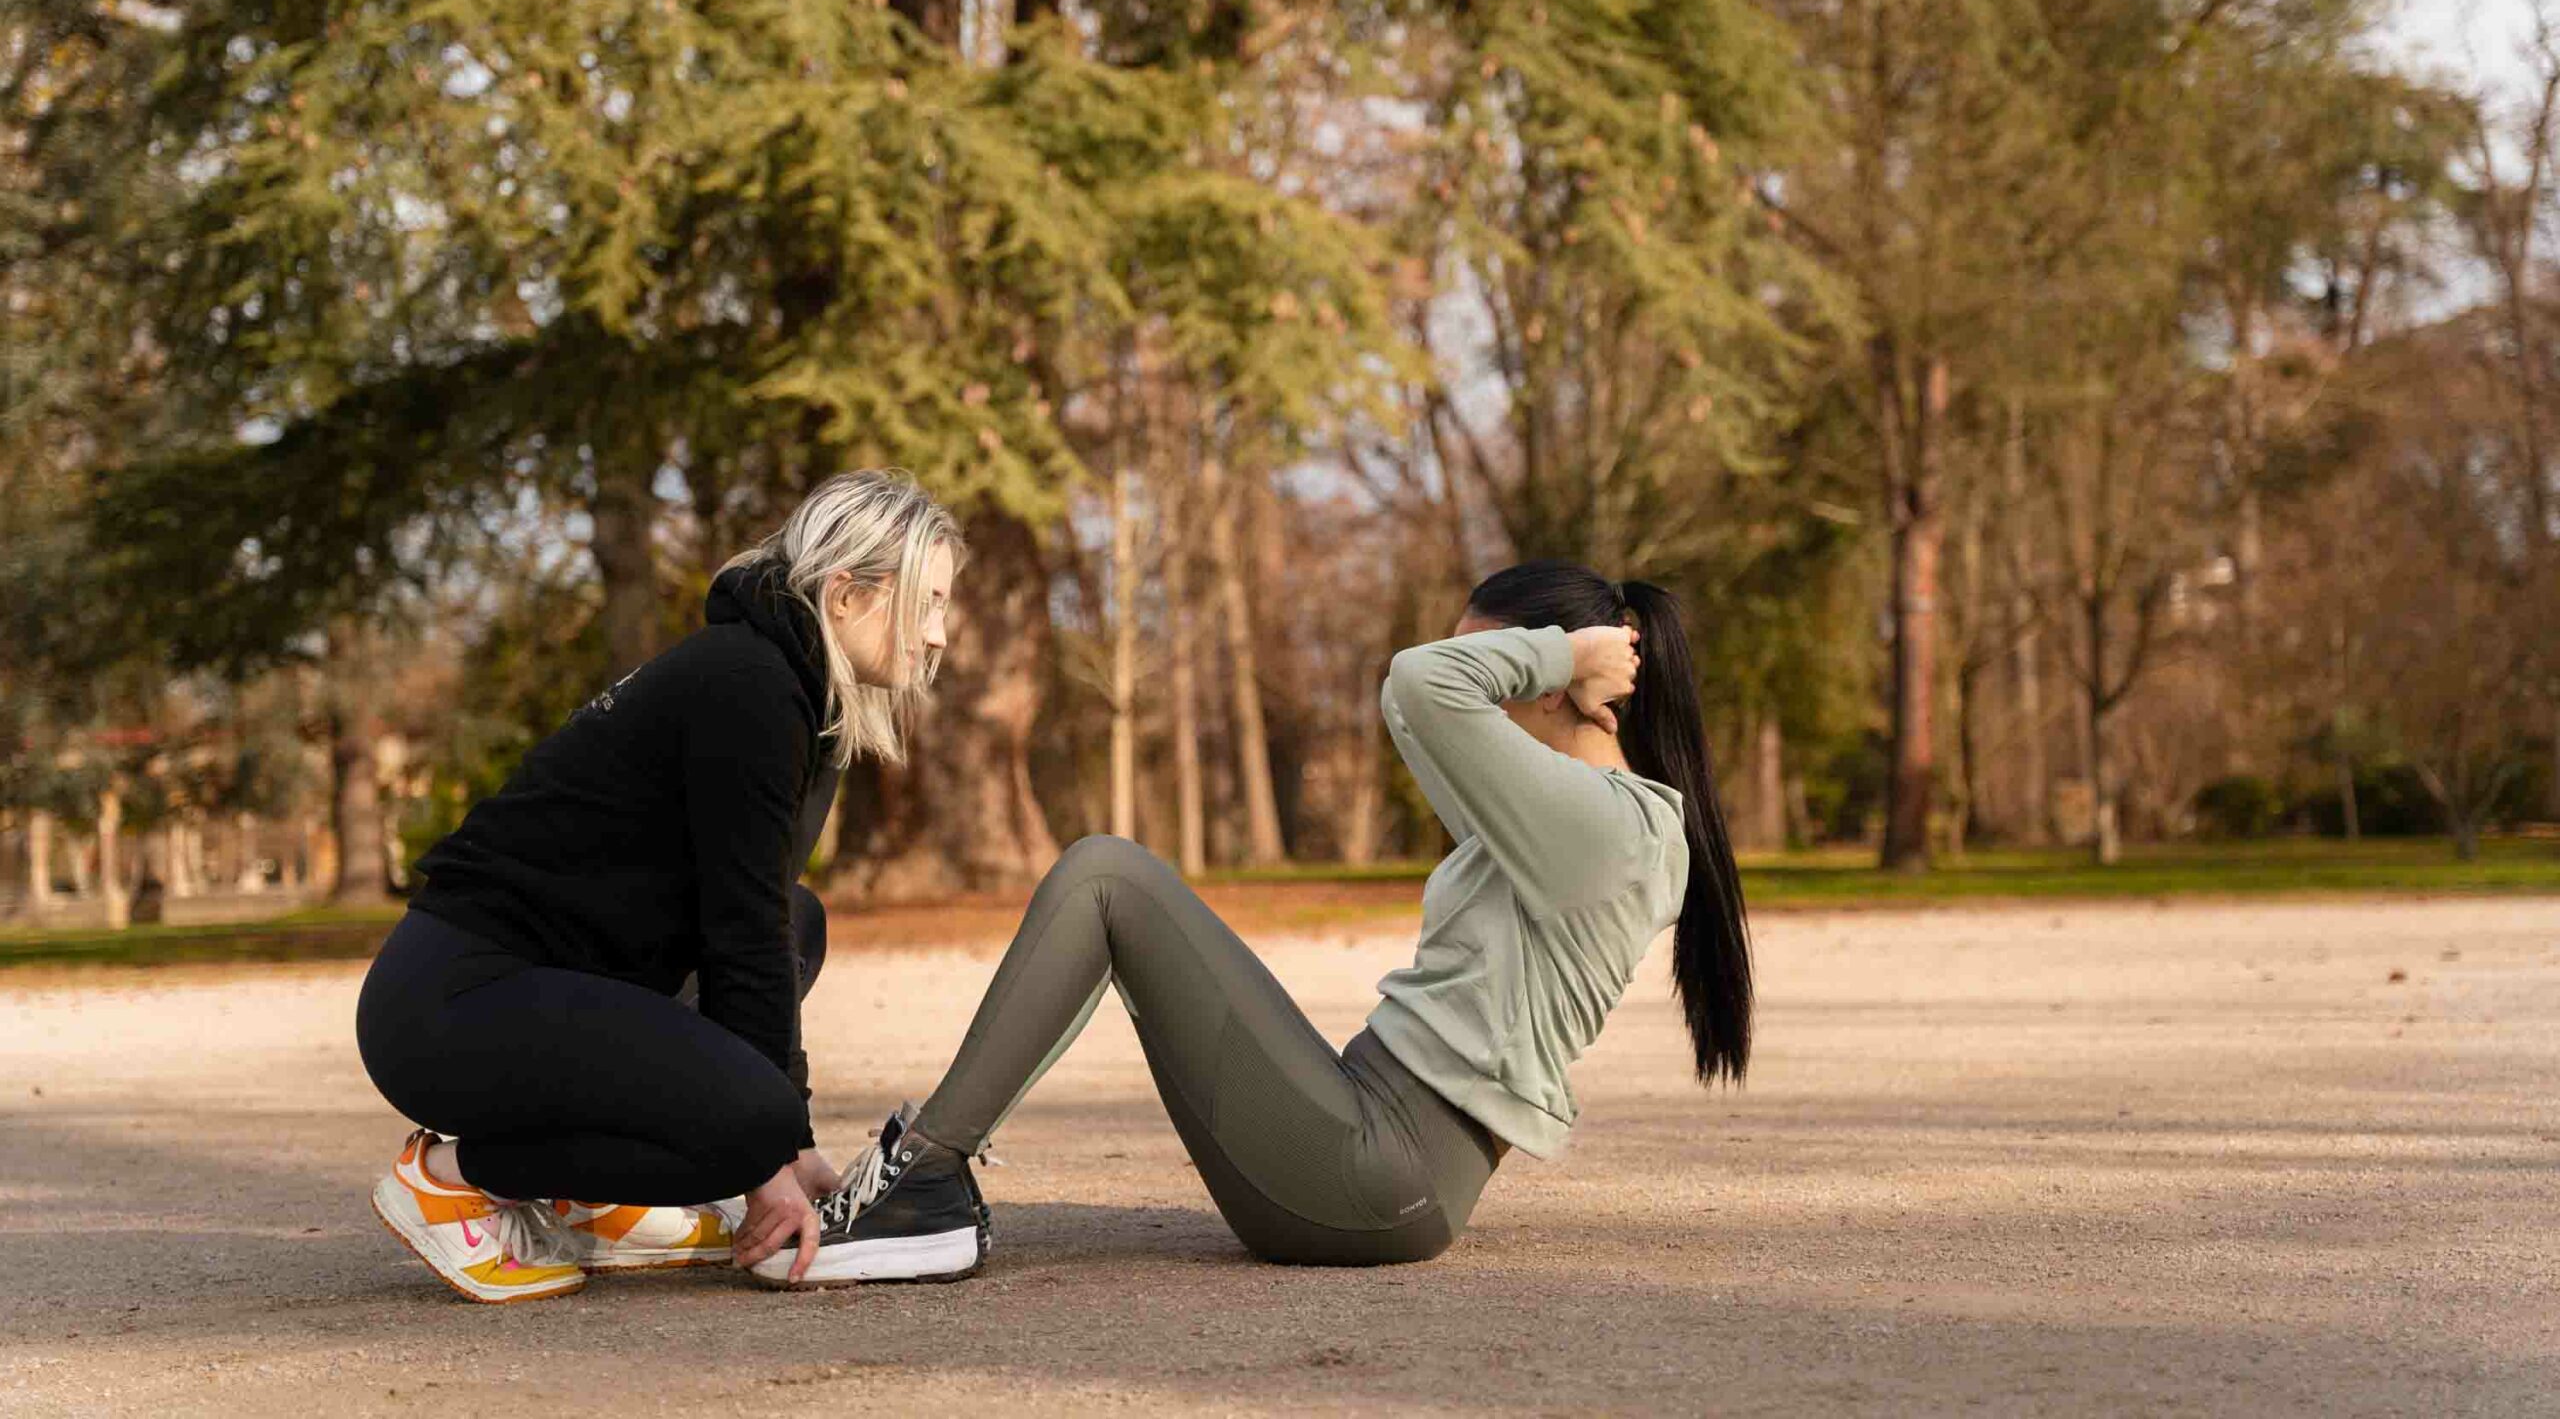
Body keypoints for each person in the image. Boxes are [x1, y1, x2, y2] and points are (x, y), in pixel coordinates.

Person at [758, 560, 1753, 1285]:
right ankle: (925, 1175)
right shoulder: (1562, 814)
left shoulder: (1606, 831)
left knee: (1108, 877)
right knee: (1117, 890)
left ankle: (921, 1181)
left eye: (1488, 654)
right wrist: (1543, 660)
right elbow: (1429, 702)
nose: (1477, 672)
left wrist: (1552, 651)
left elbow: (1418, 683)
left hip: (1378, 1177)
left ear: (1553, 677)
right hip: (1364, 1130)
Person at [354, 470, 963, 1302]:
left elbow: (762, 924)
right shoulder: (748, 687)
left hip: (541, 985)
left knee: (799, 922)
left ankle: (589, 1200)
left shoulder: (788, 688)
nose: (940, 636)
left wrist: (794, 1141)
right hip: (449, 1004)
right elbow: (738, 933)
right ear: (848, 593)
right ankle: (451, 1174)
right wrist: (764, 1160)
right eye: (926, 603)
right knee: (740, 1130)